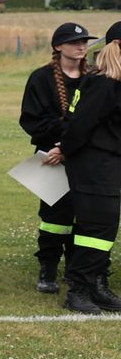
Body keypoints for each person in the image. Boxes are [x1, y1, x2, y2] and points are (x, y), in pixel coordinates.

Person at [20, 22, 92, 295]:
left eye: (84, 41)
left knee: (85, 216)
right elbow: (31, 119)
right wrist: (61, 143)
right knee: (54, 218)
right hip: (51, 157)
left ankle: (76, 269)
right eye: (75, 42)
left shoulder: (94, 77)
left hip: (86, 157)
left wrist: (72, 143)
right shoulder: (40, 78)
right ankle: (48, 268)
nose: (82, 46)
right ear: (58, 46)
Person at [59, 23, 121, 314]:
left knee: (102, 227)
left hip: (107, 163)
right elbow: (79, 126)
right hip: (94, 164)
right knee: (97, 227)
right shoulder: (103, 83)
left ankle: (97, 284)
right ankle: (79, 289)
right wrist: (66, 151)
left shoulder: (112, 82)